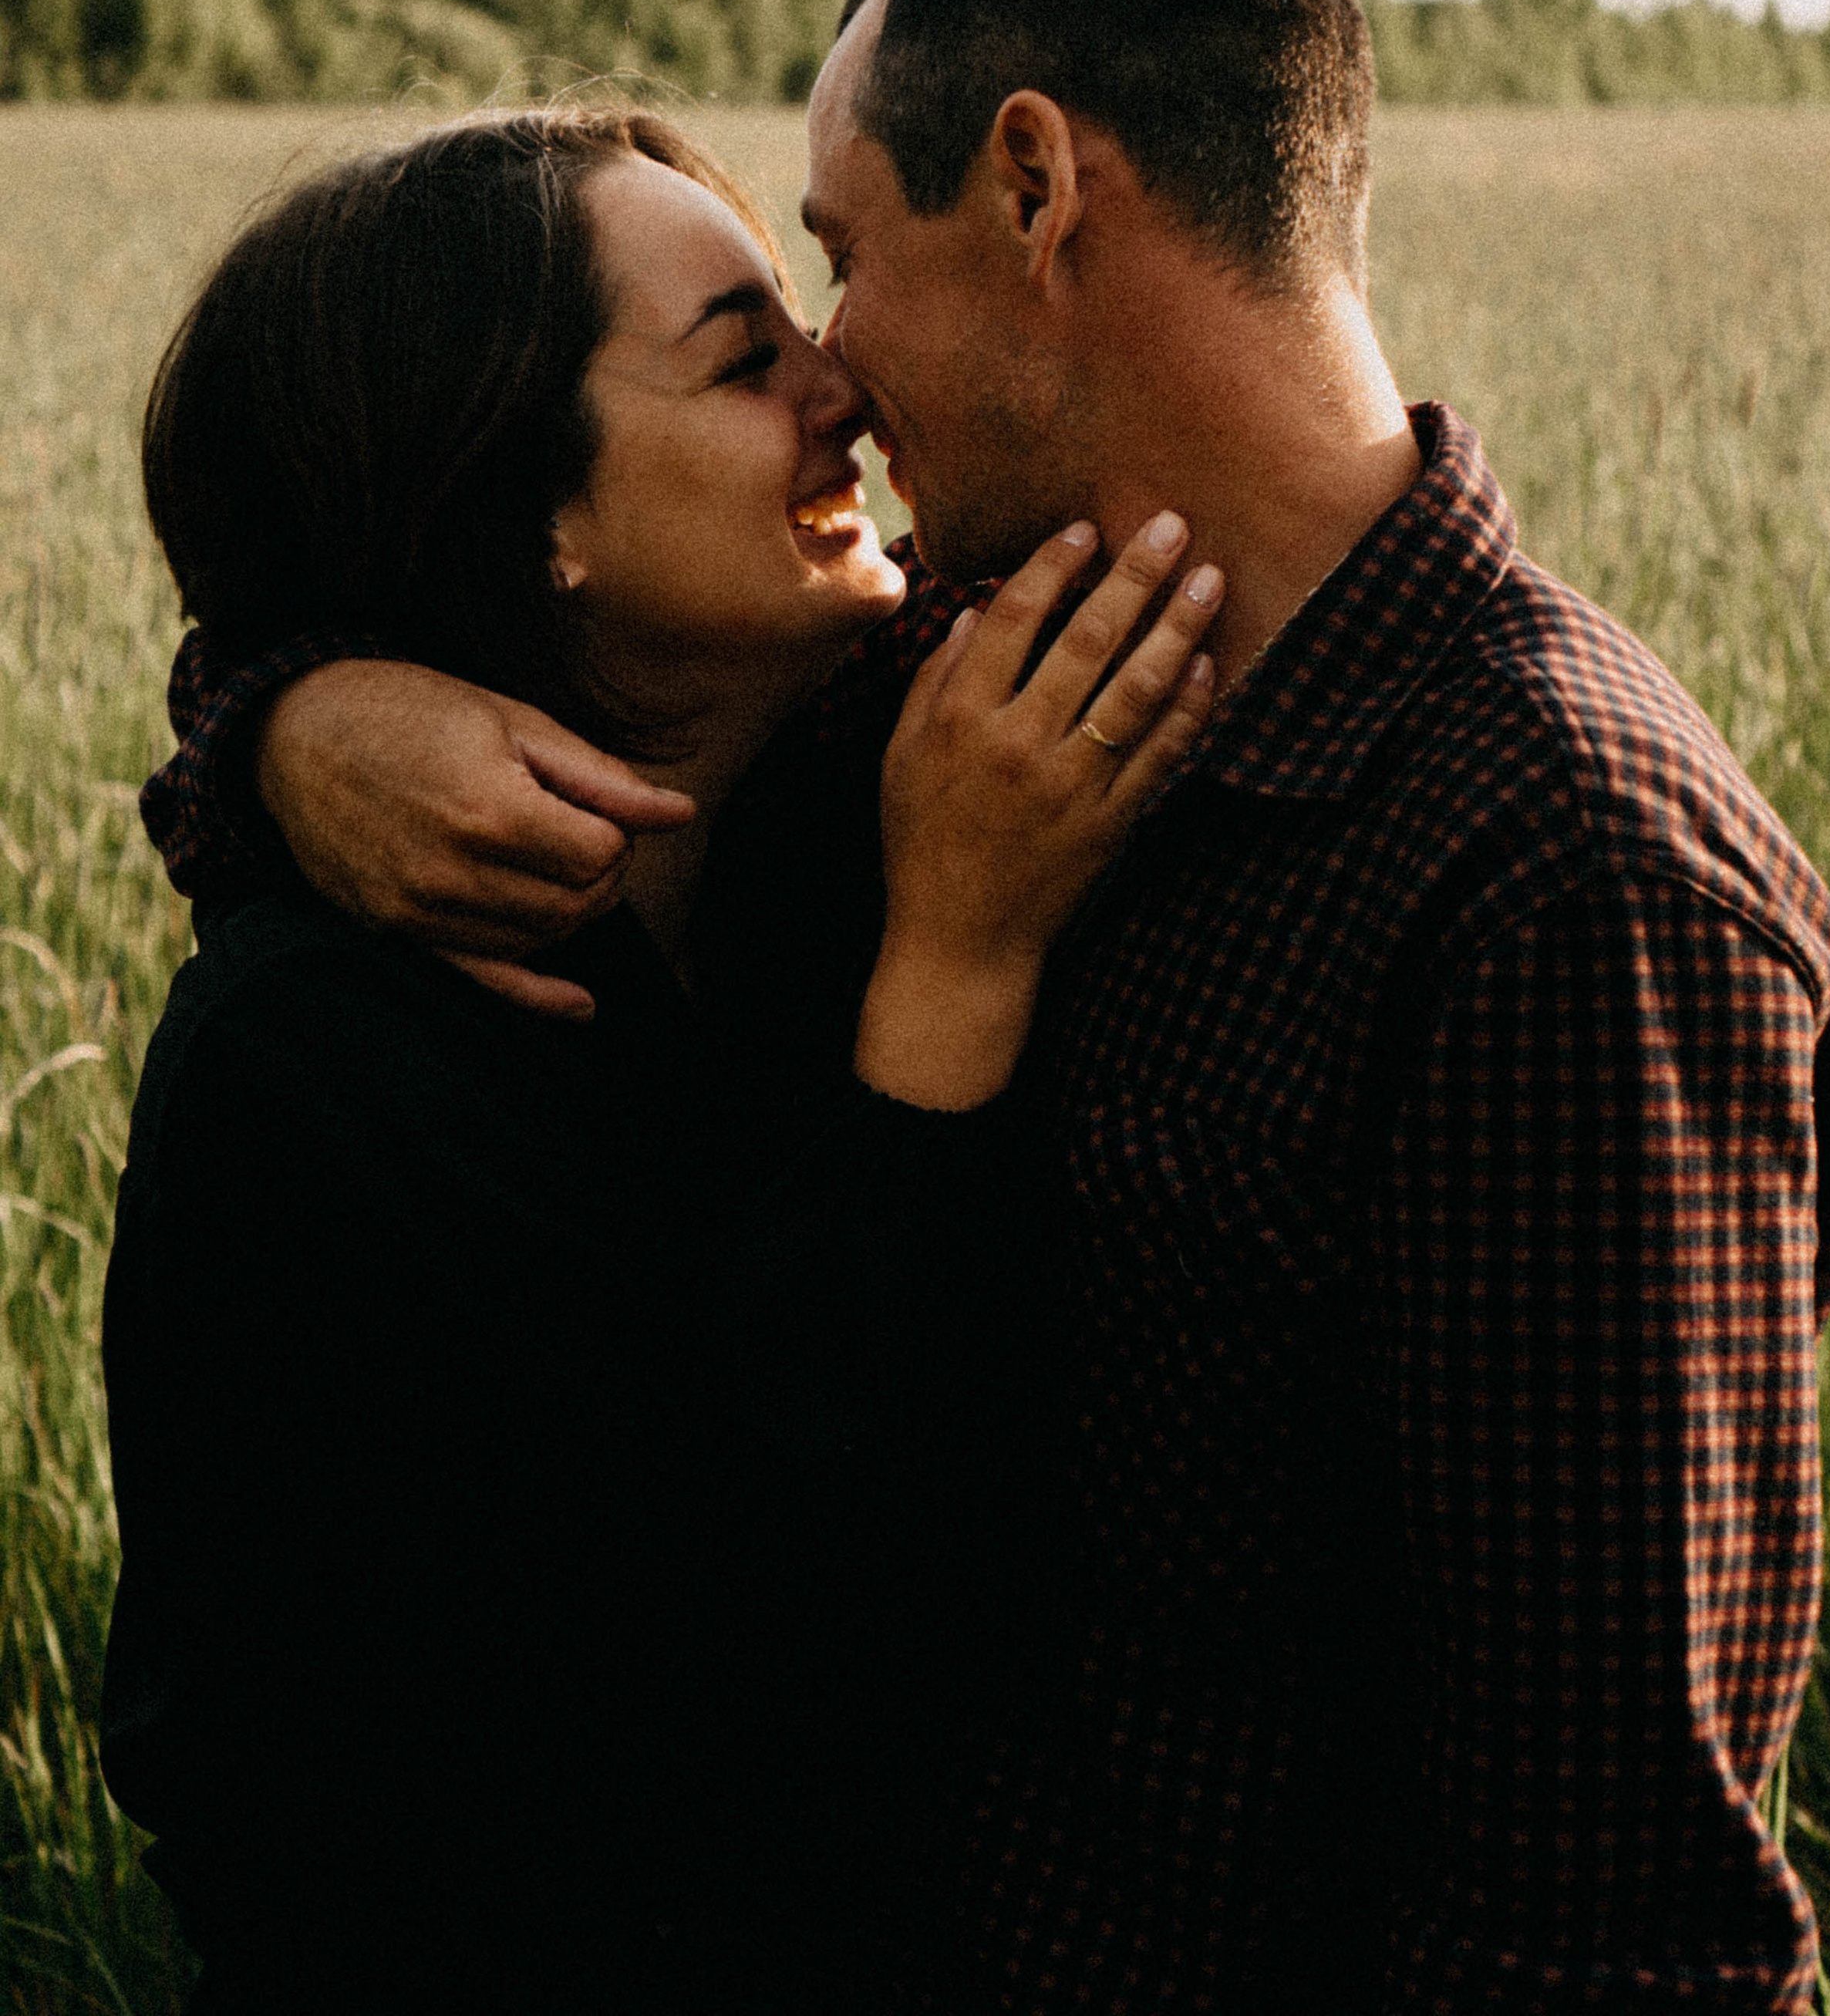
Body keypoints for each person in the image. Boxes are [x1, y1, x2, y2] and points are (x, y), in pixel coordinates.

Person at [146, 0, 1830, 2016]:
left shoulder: (1569, 883)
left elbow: (1609, 1926)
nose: (840, 373)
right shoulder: (954, 711)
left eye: (840, 261)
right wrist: (296, 719)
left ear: (1039, 189)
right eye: (763, 327)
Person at [103, 104, 1221, 2012]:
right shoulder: (324, 1071)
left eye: (807, 313)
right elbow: (747, 1668)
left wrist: (285, 712)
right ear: (528, 520)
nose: (842, 384)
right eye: (741, 355)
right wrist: (949, 980)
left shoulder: (840, 800)